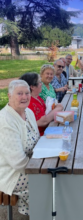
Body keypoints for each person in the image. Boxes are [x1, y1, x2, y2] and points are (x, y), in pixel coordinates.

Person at [0, 80, 40, 216]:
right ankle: (41, 214)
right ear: (9, 96)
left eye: (27, 93)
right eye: (19, 93)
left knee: (56, 174)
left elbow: (37, 141)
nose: (24, 97)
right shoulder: (6, 121)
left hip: (32, 165)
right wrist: (40, 169)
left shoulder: (28, 112)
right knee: (46, 183)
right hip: (13, 174)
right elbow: (18, 163)